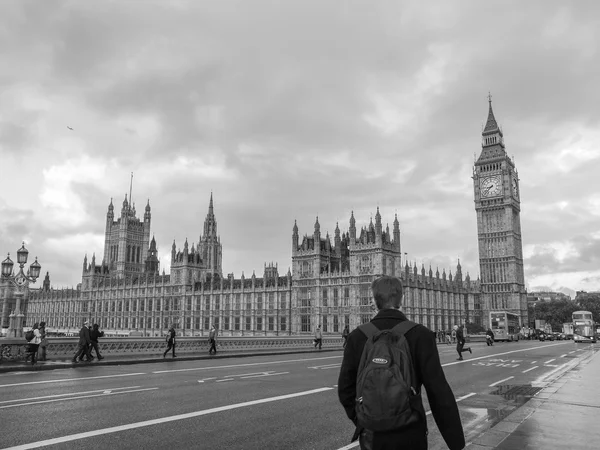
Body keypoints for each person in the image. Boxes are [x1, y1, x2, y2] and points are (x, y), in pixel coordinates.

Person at [338, 276, 465, 450]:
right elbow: (439, 393)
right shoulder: (421, 335)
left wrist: (362, 419)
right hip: (411, 433)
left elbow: (345, 389)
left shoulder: (357, 336)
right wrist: (456, 442)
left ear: (374, 302)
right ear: (401, 299)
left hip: (372, 436)